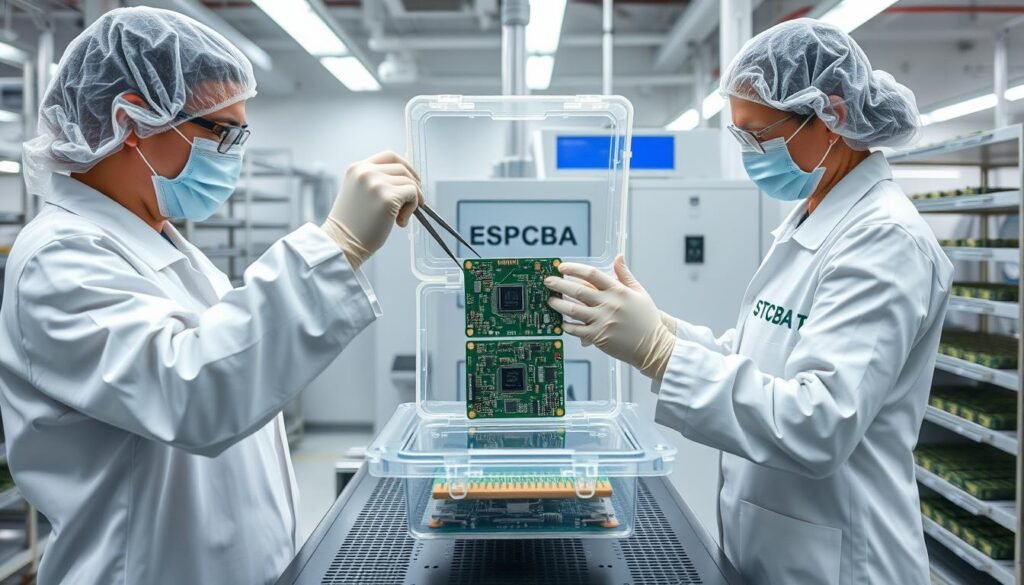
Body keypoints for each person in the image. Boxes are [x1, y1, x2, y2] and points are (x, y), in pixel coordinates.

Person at [0, 7, 421, 585]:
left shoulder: (169, 249)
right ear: (130, 121)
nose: (233, 156)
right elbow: (192, 392)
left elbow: (238, 377)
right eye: (222, 132)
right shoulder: (58, 259)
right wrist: (336, 246)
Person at [545, 19, 952, 585]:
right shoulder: (812, 217)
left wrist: (661, 353)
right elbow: (760, 358)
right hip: (772, 544)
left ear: (830, 115)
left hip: (842, 563)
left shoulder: (884, 239)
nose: (750, 153)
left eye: (759, 136)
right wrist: (659, 326)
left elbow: (817, 421)